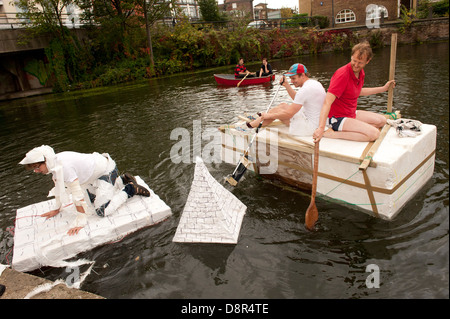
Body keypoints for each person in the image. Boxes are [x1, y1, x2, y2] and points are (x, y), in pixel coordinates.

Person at [19, 145, 150, 236]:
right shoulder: (54, 163)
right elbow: (58, 187)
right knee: (91, 202)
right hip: (93, 176)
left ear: (45, 161)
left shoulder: (63, 167)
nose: (36, 171)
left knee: (101, 210)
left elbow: (77, 195)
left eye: (37, 167)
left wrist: (81, 220)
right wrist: (57, 208)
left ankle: (130, 188)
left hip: (106, 171)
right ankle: (121, 180)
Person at [313, 41, 396, 143]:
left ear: (367, 61)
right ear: (351, 57)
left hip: (350, 113)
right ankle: (333, 134)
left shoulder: (360, 73)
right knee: (374, 134)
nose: (356, 65)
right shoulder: (342, 74)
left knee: (382, 121)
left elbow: (357, 92)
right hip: (336, 118)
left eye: (360, 62)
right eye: (354, 60)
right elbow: (327, 102)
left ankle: (354, 127)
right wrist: (321, 128)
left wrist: (383, 88)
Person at [238, 63, 326, 137]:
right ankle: (257, 120)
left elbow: (289, 114)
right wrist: (286, 85)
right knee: (283, 105)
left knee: (278, 111)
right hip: (316, 122)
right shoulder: (314, 83)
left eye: (293, 78)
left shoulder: (305, 89)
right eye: (290, 78)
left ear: (302, 75)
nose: (292, 81)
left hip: (310, 128)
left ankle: (249, 126)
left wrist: (269, 116)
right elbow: (298, 98)